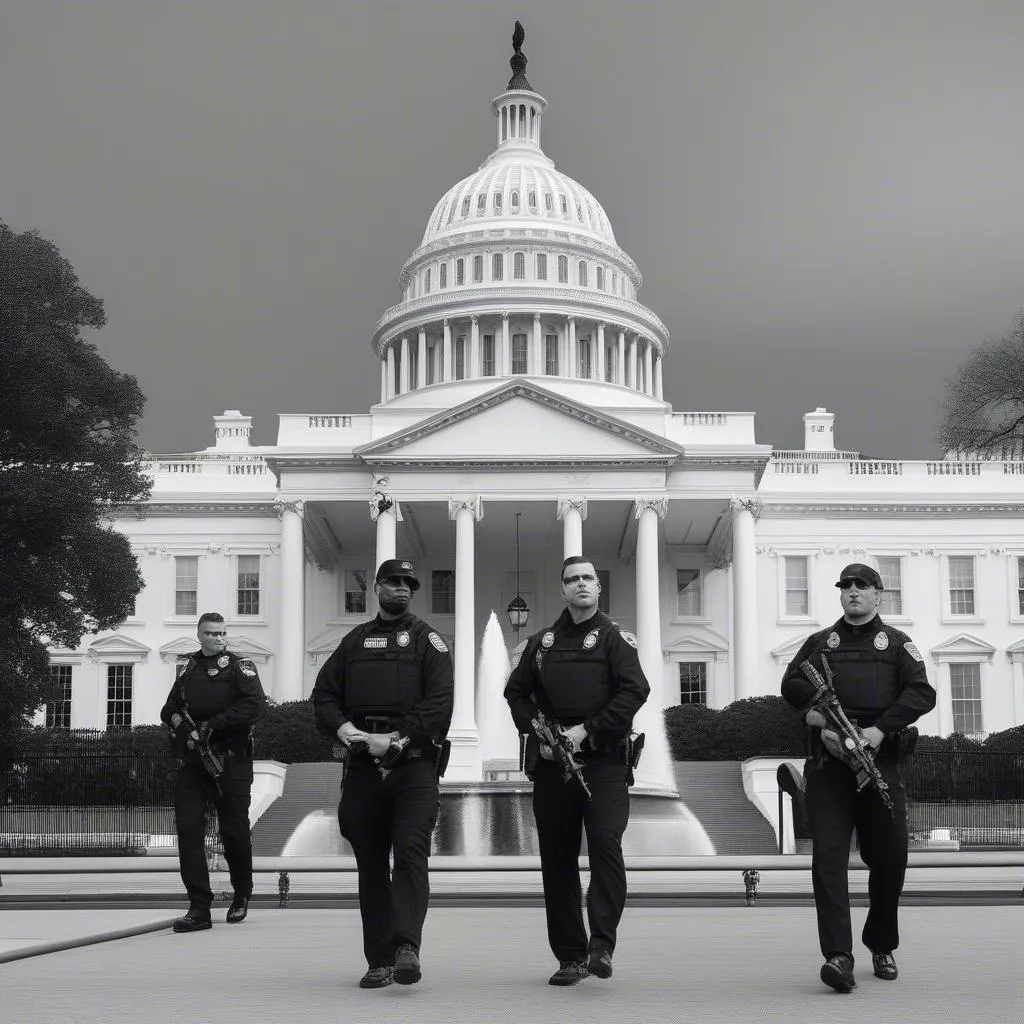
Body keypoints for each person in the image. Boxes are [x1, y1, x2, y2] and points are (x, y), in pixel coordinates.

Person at [781, 563, 936, 992]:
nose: (852, 592)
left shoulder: (898, 644)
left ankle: (881, 943)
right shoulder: (819, 643)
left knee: (890, 858)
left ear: (877, 594)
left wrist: (879, 729)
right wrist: (816, 719)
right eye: (846, 586)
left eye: (861, 586)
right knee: (827, 860)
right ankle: (839, 956)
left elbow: (922, 693)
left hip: (878, 760)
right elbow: (790, 685)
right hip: (829, 766)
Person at [504, 555, 649, 986]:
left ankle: (601, 945)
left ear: (598, 588)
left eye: (588, 578)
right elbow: (515, 694)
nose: (581, 584)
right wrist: (542, 734)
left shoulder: (615, 638)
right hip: (552, 768)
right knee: (557, 862)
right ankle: (571, 956)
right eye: (573, 579)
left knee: (606, 847)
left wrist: (586, 731)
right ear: (563, 589)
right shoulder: (542, 642)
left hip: (603, 762)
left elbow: (635, 691)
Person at [312, 558, 454, 989]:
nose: (403, 588)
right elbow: (323, 697)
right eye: (393, 582)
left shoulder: (429, 641)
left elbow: (439, 704)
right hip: (362, 769)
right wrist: (348, 731)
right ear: (376, 587)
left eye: (409, 583)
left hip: (412, 768)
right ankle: (379, 960)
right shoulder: (353, 642)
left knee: (411, 855)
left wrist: (395, 738)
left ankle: (407, 947)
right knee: (371, 867)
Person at [160, 612, 266, 933]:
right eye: (212, 634)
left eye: (222, 633)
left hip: (230, 760)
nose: (219, 638)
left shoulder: (239, 666)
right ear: (200, 635)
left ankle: (242, 893)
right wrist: (186, 729)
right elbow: (169, 709)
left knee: (234, 830)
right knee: (189, 830)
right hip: (194, 762)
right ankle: (199, 907)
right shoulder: (189, 668)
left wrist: (212, 726)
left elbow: (254, 705)